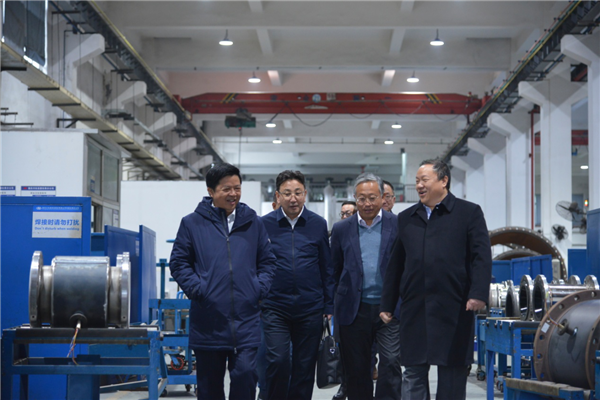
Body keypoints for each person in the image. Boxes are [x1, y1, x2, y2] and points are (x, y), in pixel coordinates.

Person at [380, 159, 492, 400]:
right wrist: (387, 303)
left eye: (424, 180)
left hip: (454, 306)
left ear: (444, 181)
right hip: (415, 307)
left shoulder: (468, 213)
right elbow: (396, 263)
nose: (419, 186)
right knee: (413, 370)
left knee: (452, 370)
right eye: (416, 181)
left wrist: (478, 293)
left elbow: (481, 257)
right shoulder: (407, 217)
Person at [169, 163, 277, 400]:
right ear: (211, 191)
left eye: (237, 188)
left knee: (246, 377)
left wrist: (258, 289)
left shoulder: (253, 222)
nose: (233, 194)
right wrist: (199, 289)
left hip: (246, 319)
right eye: (226, 189)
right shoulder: (192, 223)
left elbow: (268, 262)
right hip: (209, 321)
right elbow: (178, 262)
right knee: (209, 389)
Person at [261, 170, 335, 400]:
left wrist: (329, 304)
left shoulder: (317, 224)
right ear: (277, 196)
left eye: (298, 193)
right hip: (275, 306)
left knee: (304, 367)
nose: (293, 198)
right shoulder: (264, 224)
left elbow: (326, 266)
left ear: (305, 194)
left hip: (310, 307)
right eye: (287, 193)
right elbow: (257, 264)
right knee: (278, 360)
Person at [331, 173, 402, 400]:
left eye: (372, 198)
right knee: (357, 369)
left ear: (382, 197)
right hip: (354, 310)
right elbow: (335, 269)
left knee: (391, 362)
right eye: (361, 199)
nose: (367, 203)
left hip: (389, 309)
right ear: (355, 198)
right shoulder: (342, 229)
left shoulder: (398, 224)